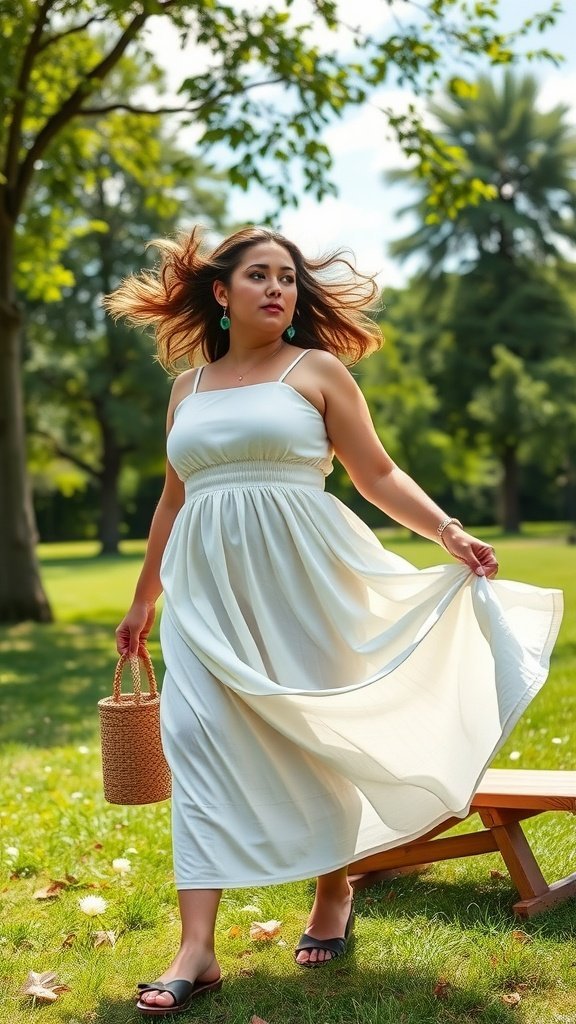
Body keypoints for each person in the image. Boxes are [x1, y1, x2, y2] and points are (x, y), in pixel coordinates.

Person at [106, 226, 562, 1017]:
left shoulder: (314, 370)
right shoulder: (187, 390)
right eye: (258, 276)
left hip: (305, 580)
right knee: (197, 741)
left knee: (312, 737)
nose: (277, 288)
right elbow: (175, 499)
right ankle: (196, 949)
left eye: (287, 277)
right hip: (207, 595)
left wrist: (449, 531)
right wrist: (144, 599)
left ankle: (332, 892)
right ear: (222, 293)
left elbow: (375, 472)